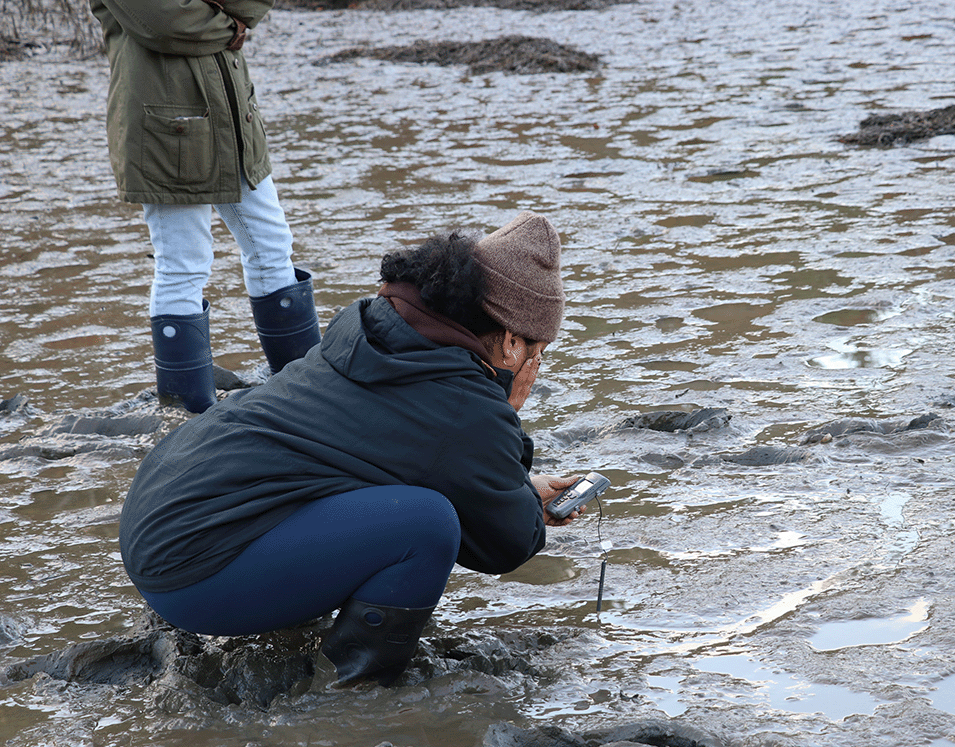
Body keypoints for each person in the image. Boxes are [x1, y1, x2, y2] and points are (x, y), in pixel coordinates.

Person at [119, 210, 585, 687]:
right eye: (537, 353)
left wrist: (517, 484)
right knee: (427, 524)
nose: (536, 364)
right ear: (509, 343)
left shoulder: (370, 334)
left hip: (153, 517)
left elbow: (397, 454)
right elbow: (509, 542)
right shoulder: (464, 407)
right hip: (191, 577)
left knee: (390, 497)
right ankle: (358, 692)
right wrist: (506, 407)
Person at [90, 0, 321, 413]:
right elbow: (163, 20)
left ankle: (308, 390)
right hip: (165, 128)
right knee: (184, 263)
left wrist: (226, 15)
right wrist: (229, 28)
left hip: (234, 118)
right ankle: (187, 415)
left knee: (272, 242)